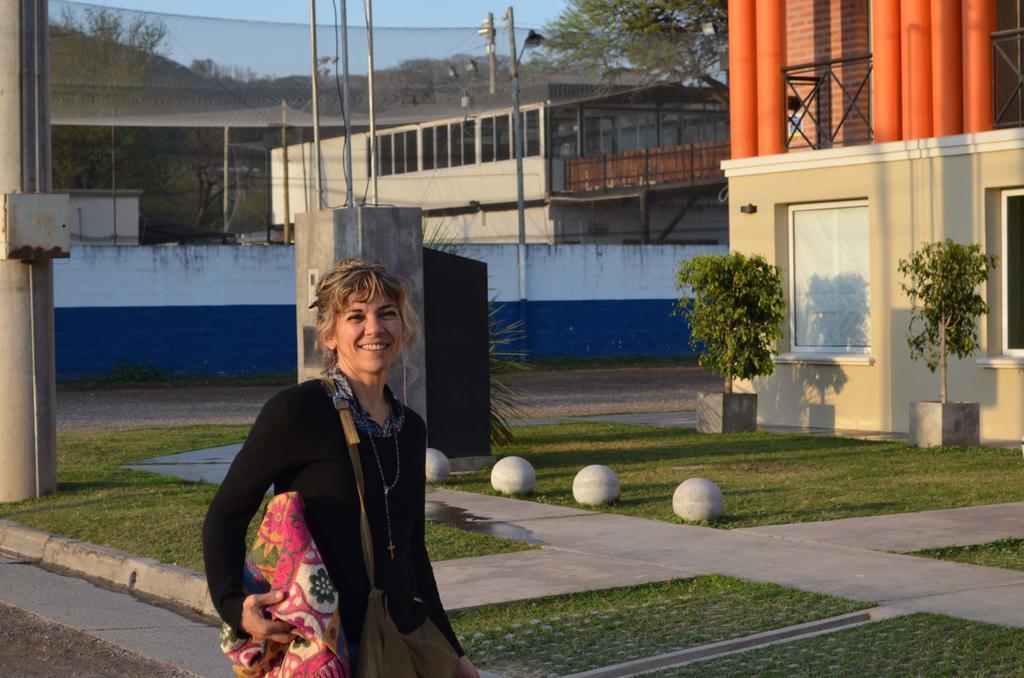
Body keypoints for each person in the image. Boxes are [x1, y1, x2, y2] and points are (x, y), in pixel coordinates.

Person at [203, 258, 479, 678]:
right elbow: (225, 514)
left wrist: (454, 653)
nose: (375, 328)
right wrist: (233, 606)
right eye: (356, 316)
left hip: (399, 638)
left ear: (402, 329)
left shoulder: (410, 429)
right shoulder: (299, 411)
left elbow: (412, 553)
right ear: (330, 335)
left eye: (388, 314)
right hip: (323, 647)